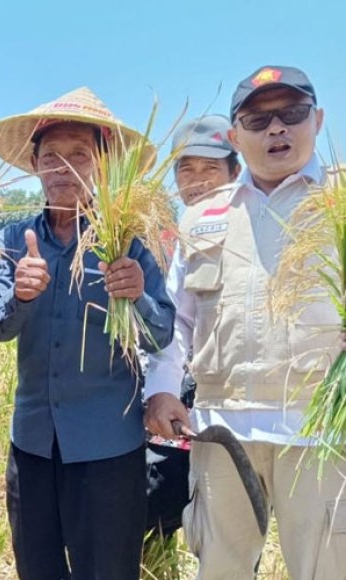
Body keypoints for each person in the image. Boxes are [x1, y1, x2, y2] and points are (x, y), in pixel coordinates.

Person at [145, 65, 345, 580]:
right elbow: (175, 320)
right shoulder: (202, 217)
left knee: (326, 570)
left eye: (292, 114)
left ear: (317, 121)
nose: (276, 128)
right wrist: (162, 390)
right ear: (236, 137)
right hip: (221, 431)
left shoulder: (339, 202)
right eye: (258, 120)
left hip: (321, 434)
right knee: (221, 568)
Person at [0, 87, 176, 580]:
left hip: (108, 448)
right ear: (34, 163)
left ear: (103, 166)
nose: (64, 168)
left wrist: (136, 297)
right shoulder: (12, 239)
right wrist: (21, 297)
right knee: (37, 568)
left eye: (80, 155)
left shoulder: (128, 241)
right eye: (52, 157)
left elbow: (160, 335)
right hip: (33, 446)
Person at [145, 113, 242, 538]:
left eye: (211, 168)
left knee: (231, 528)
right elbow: (176, 323)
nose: (198, 180)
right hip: (183, 396)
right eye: (187, 168)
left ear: (236, 171)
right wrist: (160, 390)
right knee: (158, 497)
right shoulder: (173, 238)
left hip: (238, 406)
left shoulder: (259, 232)